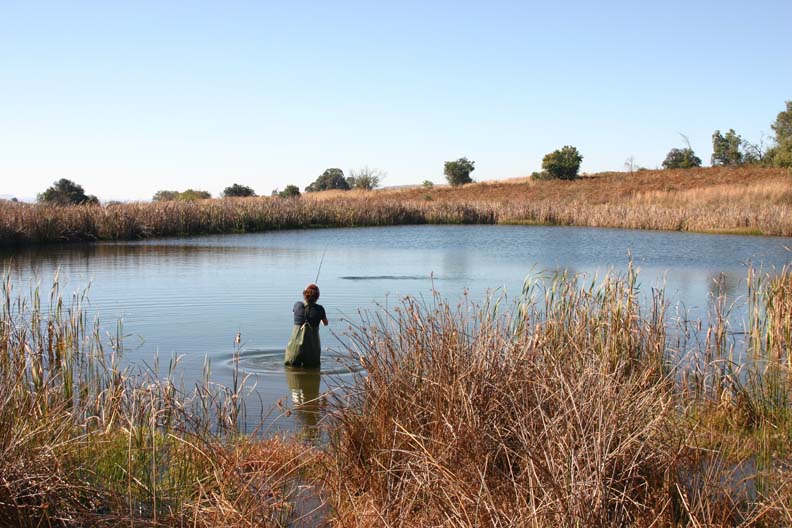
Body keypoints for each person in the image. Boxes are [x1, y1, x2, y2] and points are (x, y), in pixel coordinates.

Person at [284, 283, 328, 368]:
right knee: (312, 369)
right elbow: (325, 323)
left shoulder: (297, 305)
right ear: (317, 297)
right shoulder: (320, 309)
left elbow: (294, 312)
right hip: (312, 353)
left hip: (294, 351)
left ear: (304, 294)